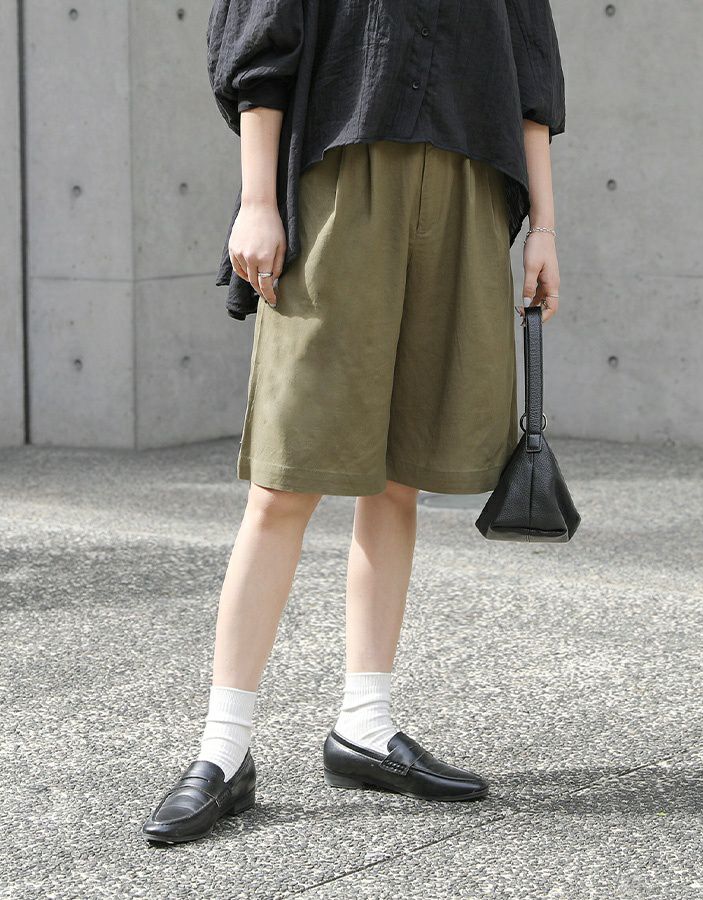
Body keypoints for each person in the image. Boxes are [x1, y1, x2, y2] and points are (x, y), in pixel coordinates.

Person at [142, 0, 565, 845]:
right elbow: (262, 47)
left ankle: (365, 724)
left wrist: (545, 228)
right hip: (339, 181)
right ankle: (223, 749)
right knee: (285, 480)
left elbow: (530, 75)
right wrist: (256, 200)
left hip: (467, 190)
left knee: (400, 477)